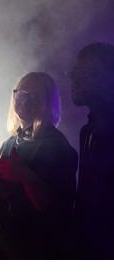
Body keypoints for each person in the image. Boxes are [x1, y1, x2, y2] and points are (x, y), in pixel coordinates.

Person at [0, 72, 78, 259]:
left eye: (33, 97)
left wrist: (25, 175)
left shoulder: (57, 145)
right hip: (5, 245)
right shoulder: (10, 142)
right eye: (20, 94)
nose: (24, 101)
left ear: (47, 103)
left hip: (36, 250)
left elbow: (52, 207)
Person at [67, 42, 114, 259]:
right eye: (73, 73)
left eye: (82, 73)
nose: (73, 79)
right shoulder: (92, 128)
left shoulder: (104, 130)